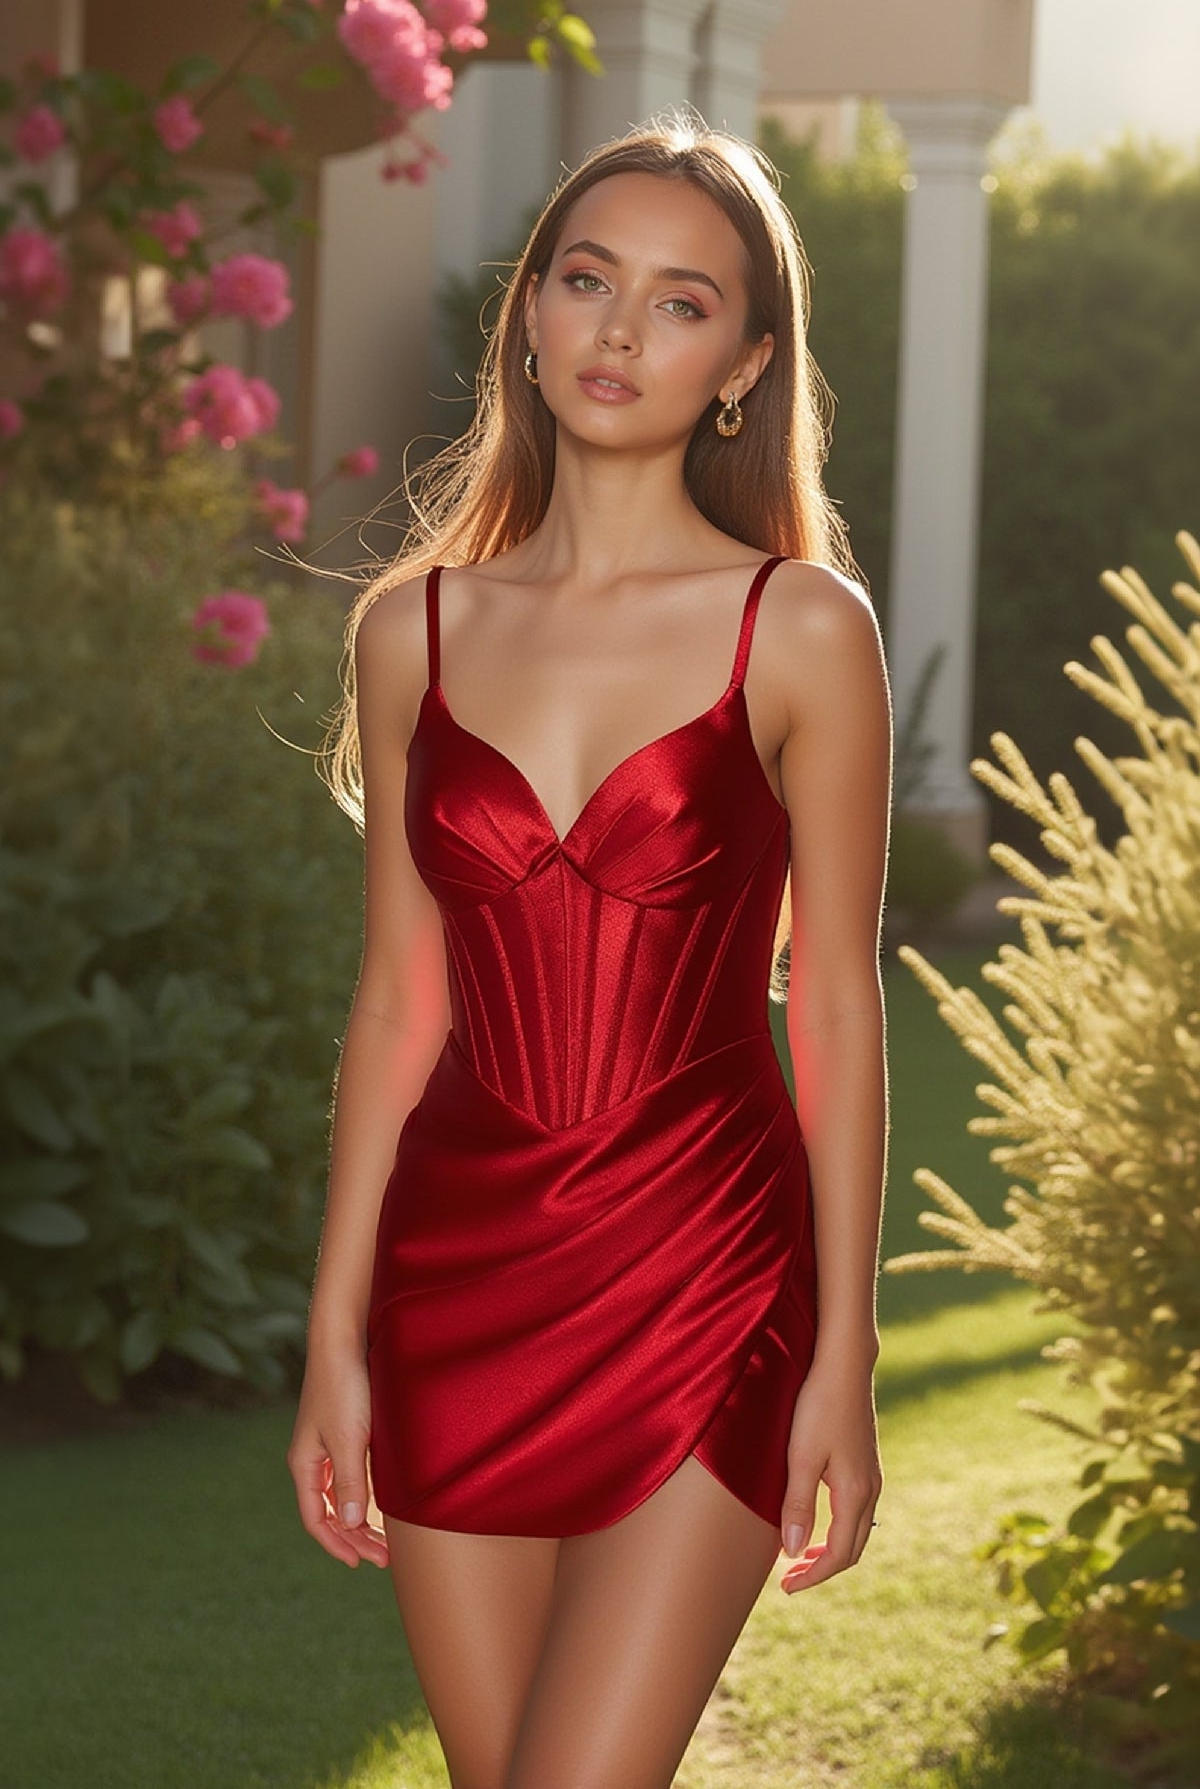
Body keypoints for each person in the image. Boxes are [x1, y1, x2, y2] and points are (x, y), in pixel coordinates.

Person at [287, 112, 892, 1789]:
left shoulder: (800, 628)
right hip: (454, 1290)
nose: (621, 331)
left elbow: (836, 1007)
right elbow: (400, 1004)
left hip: (709, 1275)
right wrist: (336, 1334)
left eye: (682, 303)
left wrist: (844, 1353)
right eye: (587, 279)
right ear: (531, 315)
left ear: (745, 365)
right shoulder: (410, 631)